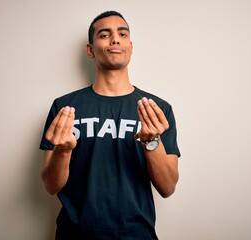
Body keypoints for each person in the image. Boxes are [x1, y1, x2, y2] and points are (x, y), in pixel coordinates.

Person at [39, 10, 180, 240]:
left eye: (122, 34)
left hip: (137, 235)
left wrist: (150, 141)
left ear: (130, 47)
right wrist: (64, 150)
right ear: (90, 49)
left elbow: (167, 187)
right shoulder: (65, 108)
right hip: (75, 235)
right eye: (105, 35)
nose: (115, 39)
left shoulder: (157, 110)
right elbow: (50, 185)